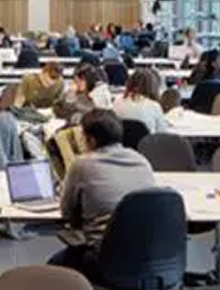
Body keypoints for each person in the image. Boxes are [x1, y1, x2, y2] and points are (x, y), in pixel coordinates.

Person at [49, 110, 156, 278]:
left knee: (52, 269)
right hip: (147, 255)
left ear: (91, 140)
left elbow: (66, 212)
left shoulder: (82, 165)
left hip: (103, 256)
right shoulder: (142, 161)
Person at [114, 68, 170, 133]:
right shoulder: (154, 106)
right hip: (147, 142)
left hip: (122, 142)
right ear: (152, 86)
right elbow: (162, 133)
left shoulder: (117, 101)